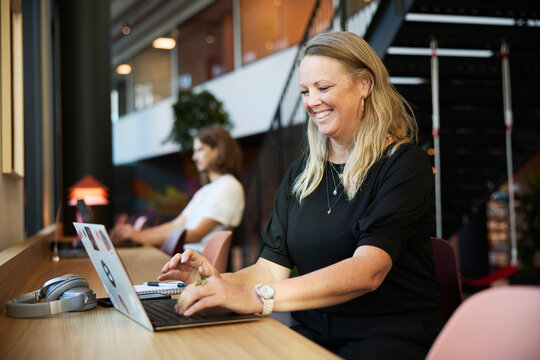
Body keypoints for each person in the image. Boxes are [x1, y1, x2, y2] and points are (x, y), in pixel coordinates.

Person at [158, 31, 444, 359]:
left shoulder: (404, 164)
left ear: (364, 84)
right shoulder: (301, 174)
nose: (312, 101)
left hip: (387, 337)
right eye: (305, 91)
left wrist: (257, 299)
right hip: (313, 336)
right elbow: (268, 269)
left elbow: (368, 271)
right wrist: (215, 283)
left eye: (324, 88)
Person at [111, 125, 244, 253]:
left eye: (200, 150)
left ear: (217, 150)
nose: (194, 157)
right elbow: (176, 225)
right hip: (185, 257)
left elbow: (196, 234)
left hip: (198, 263)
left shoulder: (230, 186)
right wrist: (136, 234)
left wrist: (139, 237)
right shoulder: (206, 191)